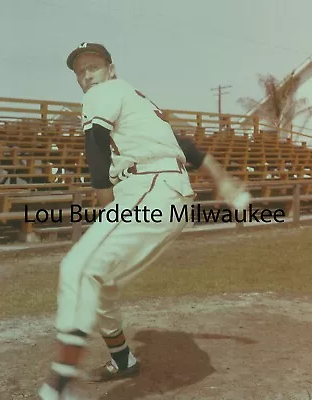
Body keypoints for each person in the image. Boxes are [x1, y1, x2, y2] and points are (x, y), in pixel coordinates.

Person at [38, 42, 250, 399]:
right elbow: (188, 147)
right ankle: (123, 360)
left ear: (111, 69)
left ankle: (60, 384)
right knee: (102, 283)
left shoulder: (103, 93)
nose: (87, 74)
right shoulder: (141, 104)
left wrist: (106, 203)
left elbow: (96, 145)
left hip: (150, 188)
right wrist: (225, 181)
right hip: (166, 193)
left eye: (94, 66)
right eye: (80, 70)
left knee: (78, 268)